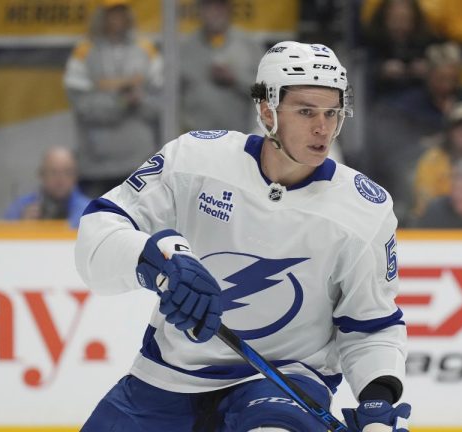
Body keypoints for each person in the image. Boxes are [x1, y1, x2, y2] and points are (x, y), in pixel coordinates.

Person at [75, 41, 411, 431]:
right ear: (267, 110)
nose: (324, 128)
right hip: (166, 379)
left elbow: (371, 323)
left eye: (332, 112)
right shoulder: (196, 161)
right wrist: (157, 261)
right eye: (306, 112)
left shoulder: (363, 209)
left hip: (284, 386)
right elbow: (98, 236)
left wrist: (376, 399)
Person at [64, 0, 163, 198]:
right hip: (96, 166)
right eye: (111, 13)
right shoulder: (83, 52)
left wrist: (140, 100)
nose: (116, 18)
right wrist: (122, 104)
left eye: (121, 12)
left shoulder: (147, 50)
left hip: (140, 164)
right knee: (95, 223)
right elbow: (82, 106)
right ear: (101, 15)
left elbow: (164, 103)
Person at [179, 0, 262, 132]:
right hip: (196, 139)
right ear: (200, 10)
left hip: (239, 139)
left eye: (220, 6)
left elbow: (266, 91)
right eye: (209, 6)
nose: (214, 12)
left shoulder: (249, 46)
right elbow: (171, 96)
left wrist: (235, 79)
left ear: (229, 9)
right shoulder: (185, 48)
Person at [363, 0, 442, 101]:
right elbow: (360, 70)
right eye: (395, 19)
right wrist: (381, 70)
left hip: (422, 99)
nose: (400, 25)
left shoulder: (426, 40)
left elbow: (442, 61)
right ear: (384, 18)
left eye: (405, 19)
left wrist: (429, 69)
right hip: (381, 98)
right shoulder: (371, 40)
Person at [4, 147, 91, 228]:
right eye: (53, 172)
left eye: (67, 172)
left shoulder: (90, 211)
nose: (60, 179)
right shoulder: (20, 207)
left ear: (76, 176)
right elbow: (2, 238)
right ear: (41, 174)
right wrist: (21, 227)